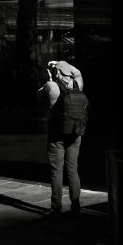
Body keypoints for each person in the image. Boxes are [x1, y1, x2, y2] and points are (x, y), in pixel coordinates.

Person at [37, 60, 88, 215]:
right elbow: (77, 72)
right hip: (75, 133)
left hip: (56, 135)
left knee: (56, 170)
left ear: (56, 72)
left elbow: (38, 96)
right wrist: (62, 64)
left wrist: (50, 78)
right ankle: (76, 204)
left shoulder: (50, 86)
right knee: (73, 169)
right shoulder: (77, 85)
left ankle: (56, 206)